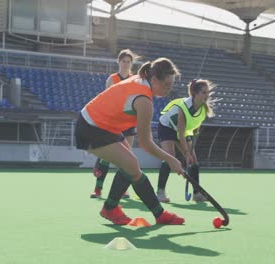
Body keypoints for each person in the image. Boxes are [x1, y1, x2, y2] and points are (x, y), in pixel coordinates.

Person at [75, 57, 185, 225]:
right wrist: (171, 159)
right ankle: (110, 208)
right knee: (131, 165)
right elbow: (146, 142)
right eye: (167, 85)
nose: (169, 90)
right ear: (155, 79)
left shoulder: (142, 80)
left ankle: (159, 214)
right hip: (91, 127)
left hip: (106, 126)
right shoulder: (144, 100)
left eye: (171, 85)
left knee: (132, 168)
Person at [156, 79, 216, 203]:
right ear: (195, 93)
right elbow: (181, 134)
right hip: (167, 126)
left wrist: (195, 132)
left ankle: (197, 193)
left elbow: (195, 123)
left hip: (183, 130)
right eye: (204, 92)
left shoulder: (203, 108)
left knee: (193, 162)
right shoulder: (184, 107)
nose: (207, 95)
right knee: (170, 158)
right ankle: (160, 192)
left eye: (208, 92)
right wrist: (186, 153)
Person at [90, 49, 139, 199]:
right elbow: (106, 100)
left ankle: (122, 190)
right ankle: (98, 189)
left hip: (129, 121)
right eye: (123, 61)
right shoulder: (112, 79)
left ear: (131, 64)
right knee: (108, 156)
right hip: (114, 121)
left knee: (126, 156)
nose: (125, 64)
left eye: (128, 62)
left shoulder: (135, 79)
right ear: (118, 62)